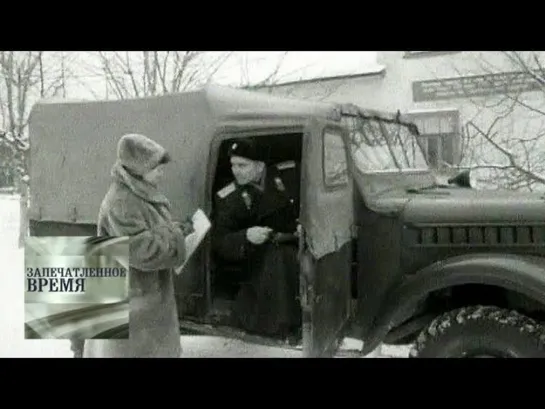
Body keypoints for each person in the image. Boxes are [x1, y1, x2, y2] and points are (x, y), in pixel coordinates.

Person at [81, 133, 189, 358]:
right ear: (139, 169)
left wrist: (175, 229)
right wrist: (177, 237)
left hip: (144, 297)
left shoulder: (139, 193)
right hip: (133, 301)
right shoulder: (122, 202)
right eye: (156, 167)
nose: (162, 172)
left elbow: (149, 231)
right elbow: (143, 251)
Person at [212, 138, 302, 342]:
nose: (236, 171)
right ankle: (278, 329)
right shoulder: (228, 198)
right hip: (260, 261)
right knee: (278, 263)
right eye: (233, 165)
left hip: (299, 243)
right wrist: (245, 236)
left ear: (260, 165)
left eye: (242, 165)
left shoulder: (290, 175)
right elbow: (219, 241)